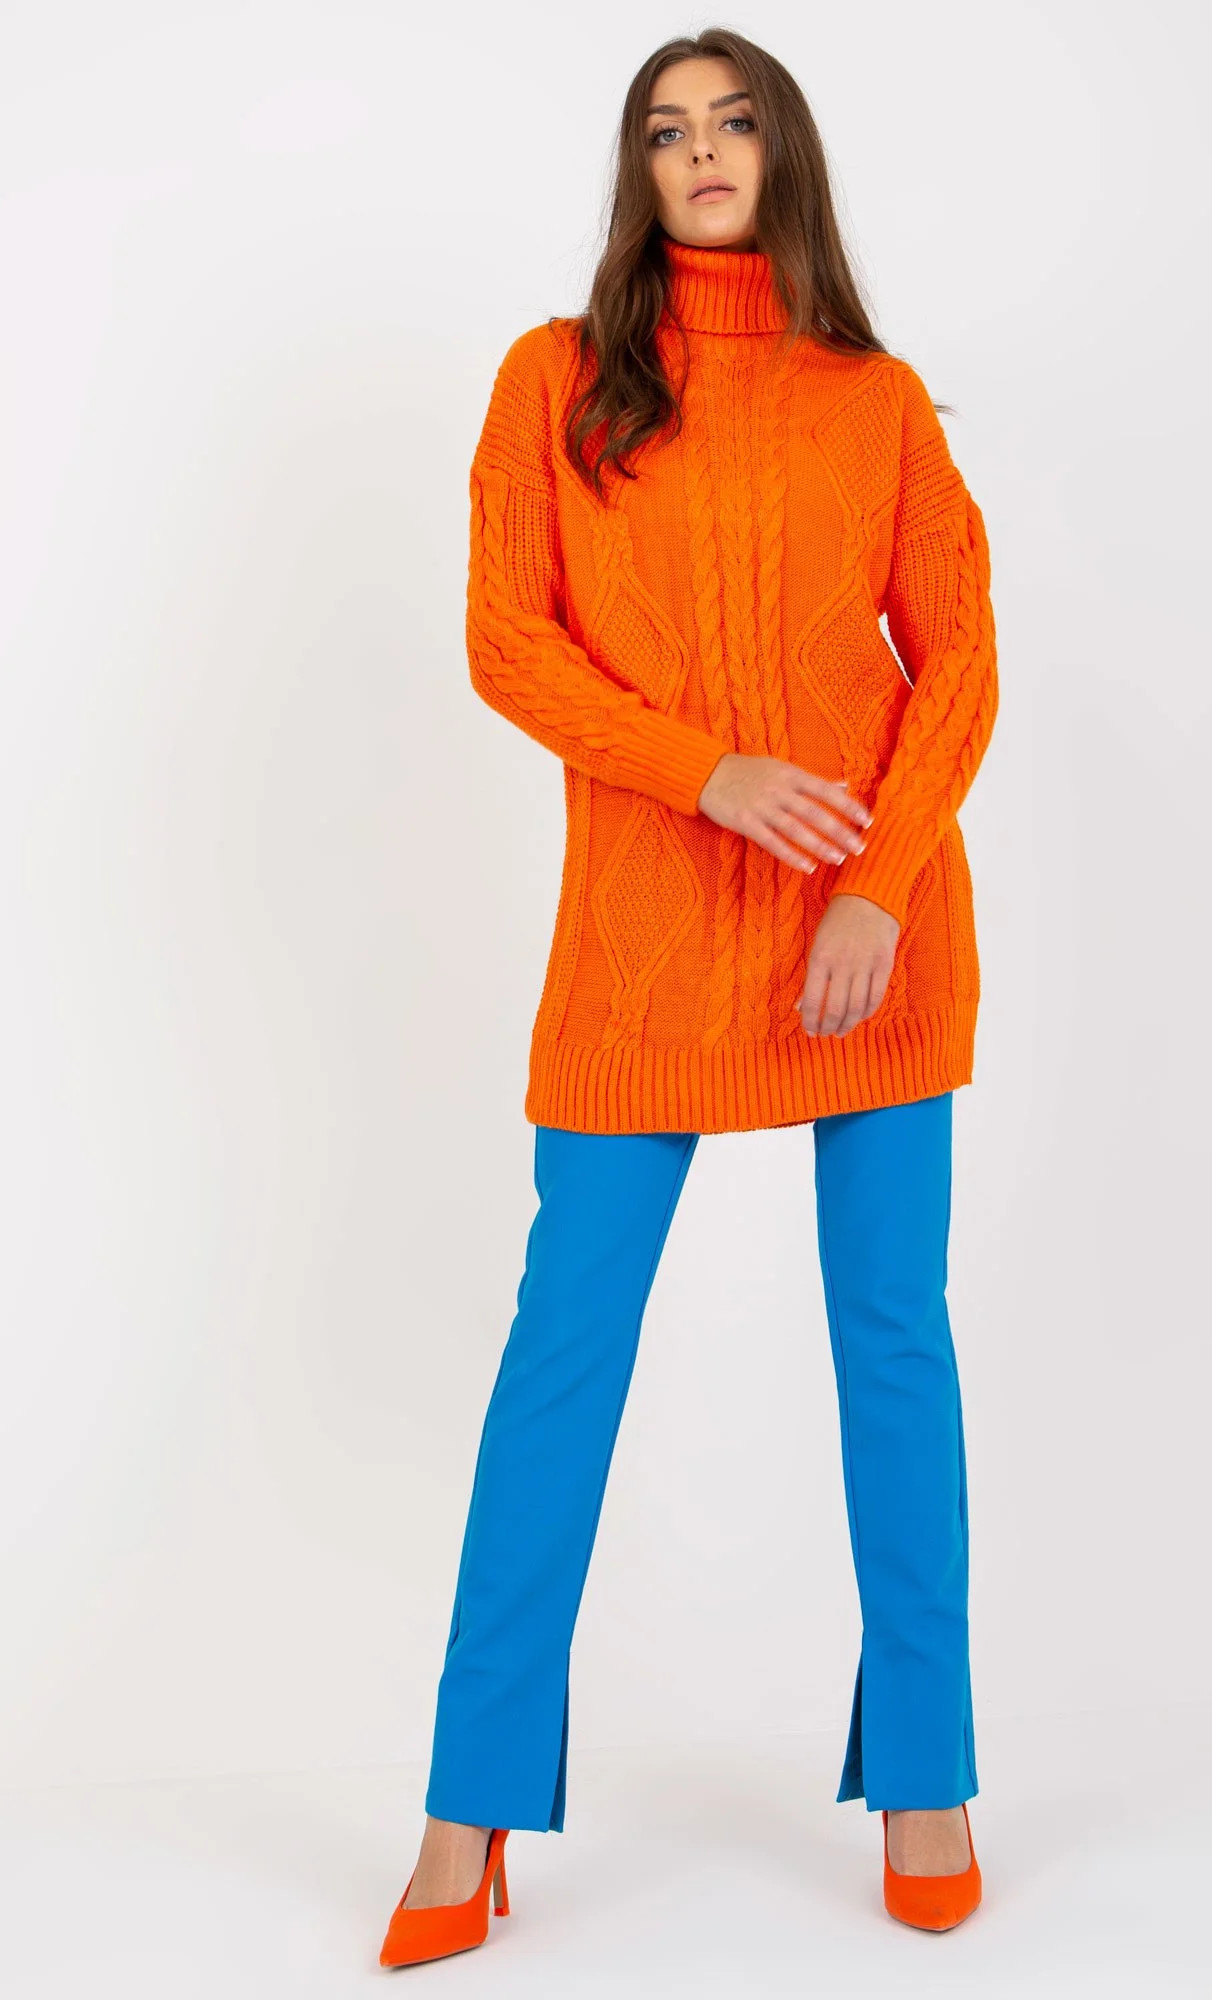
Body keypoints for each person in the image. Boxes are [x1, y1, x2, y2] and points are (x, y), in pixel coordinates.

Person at [378, 24, 999, 1969]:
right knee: (560, 1358)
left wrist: (877, 885)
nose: (704, 151)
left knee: (892, 1344)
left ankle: (929, 1771)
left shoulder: (873, 401)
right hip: (645, 944)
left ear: (782, 157)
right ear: (637, 171)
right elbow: (507, 640)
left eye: (735, 123)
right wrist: (703, 770)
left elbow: (961, 660)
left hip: (868, 941)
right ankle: (468, 1807)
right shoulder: (556, 380)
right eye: (668, 129)